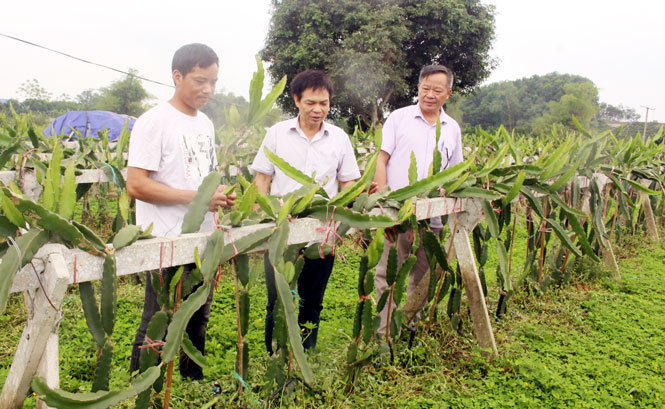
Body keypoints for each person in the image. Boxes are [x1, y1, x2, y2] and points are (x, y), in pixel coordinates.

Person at [126, 43, 236, 380]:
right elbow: (136, 185)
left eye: (214, 82)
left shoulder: (205, 124)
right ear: (177, 76)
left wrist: (217, 198)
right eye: (200, 80)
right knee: (158, 316)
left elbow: (201, 179)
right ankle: (141, 385)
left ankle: (190, 382)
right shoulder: (153, 122)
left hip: (203, 238)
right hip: (165, 238)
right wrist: (197, 198)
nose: (208, 90)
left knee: (198, 313)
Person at [250, 70, 361, 354]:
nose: (318, 109)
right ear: (296, 100)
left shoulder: (339, 138)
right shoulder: (276, 134)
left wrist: (346, 221)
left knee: (312, 298)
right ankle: (274, 352)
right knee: (277, 298)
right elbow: (261, 180)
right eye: (311, 102)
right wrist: (262, 218)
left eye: (324, 103)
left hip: (322, 235)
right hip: (281, 232)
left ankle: (306, 352)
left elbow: (348, 183)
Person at [373, 64, 464, 334]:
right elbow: (382, 158)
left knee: (422, 275)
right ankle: (383, 333)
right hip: (396, 213)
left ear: (448, 93)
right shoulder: (398, 118)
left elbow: (455, 170)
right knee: (388, 273)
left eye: (437, 90)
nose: (430, 94)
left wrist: (449, 189)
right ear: (418, 88)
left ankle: (411, 326)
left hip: (432, 215)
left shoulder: (452, 128)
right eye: (425, 88)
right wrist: (383, 198)